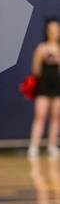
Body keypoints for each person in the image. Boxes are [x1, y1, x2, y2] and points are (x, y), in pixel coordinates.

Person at [28, 18, 60, 160]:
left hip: (57, 87)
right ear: (47, 31)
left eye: (56, 29)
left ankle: (52, 145)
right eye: (51, 29)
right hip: (43, 86)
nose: (54, 31)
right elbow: (36, 70)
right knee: (40, 116)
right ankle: (34, 147)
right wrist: (43, 58)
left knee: (56, 117)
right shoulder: (41, 47)